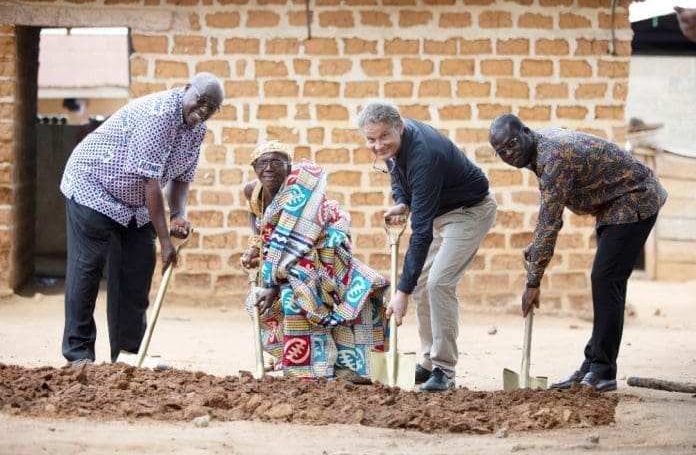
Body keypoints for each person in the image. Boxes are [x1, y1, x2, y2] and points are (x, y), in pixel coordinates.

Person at [488, 114, 668, 392]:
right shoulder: (541, 151)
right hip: (612, 206)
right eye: (500, 152)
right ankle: (593, 364)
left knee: (606, 280)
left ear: (525, 130)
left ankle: (603, 370)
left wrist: (533, 282)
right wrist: (537, 248)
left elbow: (549, 222)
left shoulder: (554, 157)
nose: (508, 154)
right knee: (608, 282)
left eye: (511, 145)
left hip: (635, 197)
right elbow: (549, 216)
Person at [60, 72, 224, 367]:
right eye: (200, 101)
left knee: (137, 270)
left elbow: (182, 179)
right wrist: (165, 240)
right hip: (93, 186)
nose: (203, 110)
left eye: (211, 107)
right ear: (186, 89)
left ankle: (127, 355)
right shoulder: (158, 114)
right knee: (88, 267)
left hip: (133, 202)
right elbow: (151, 183)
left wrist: (178, 215)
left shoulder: (198, 129)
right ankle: (79, 355)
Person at [357, 101, 497, 392]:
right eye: (370, 139)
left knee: (438, 283)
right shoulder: (393, 146)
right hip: (439, 211)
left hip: (468, 212)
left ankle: (445, 370)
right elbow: (396, 173)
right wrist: (401, 200)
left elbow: (420, 233)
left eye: (384, 136)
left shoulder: (425, 155)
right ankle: (429, 362)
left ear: (400, 127)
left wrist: (401, 293)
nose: (378, 145)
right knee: (422, 283)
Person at [240, 141, 390, 381]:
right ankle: (288, 358)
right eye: (262, 163)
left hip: (316, 257)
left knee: (304, 297)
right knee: (262, 303)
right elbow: (257, 218)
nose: (269, 168)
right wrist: (255, 247)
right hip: (277, 263)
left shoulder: (304, 191)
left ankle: (327, 368)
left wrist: (274, 285)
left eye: (277, 162)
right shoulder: (252, 190)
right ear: (254, 167)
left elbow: (306, 240)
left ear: (289, 167)